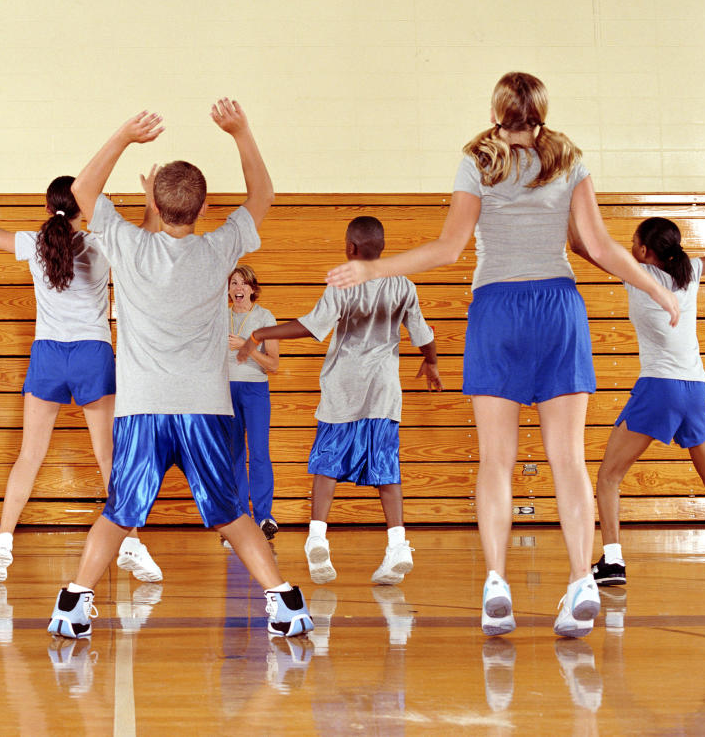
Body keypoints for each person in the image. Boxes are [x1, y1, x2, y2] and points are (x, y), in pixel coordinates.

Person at [326, 72, 678, 639]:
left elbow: (448, 249)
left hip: (497, 309)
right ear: (542, 109)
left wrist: (372, 267)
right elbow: (601, 246)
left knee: (496, 460)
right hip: (558, 307)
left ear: (496, 110)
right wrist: (659, 289)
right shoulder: (569, 159)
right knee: (568, 459)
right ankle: (581, 580)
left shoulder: (478, 159)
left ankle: (495, 582)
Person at [46, 100, 311, 641]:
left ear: (155, 203)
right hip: (204, 409)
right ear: (205, 205)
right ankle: (285, 604)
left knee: (119, 513)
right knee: (233, 514)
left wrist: (123, 134)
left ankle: (73, 606)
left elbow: (83, 194)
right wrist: (241, 130)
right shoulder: (221, 247)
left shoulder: (128, 243)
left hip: (143, 409)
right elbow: (263, 195)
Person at [0, 171, 161, 585]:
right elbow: (146, 232)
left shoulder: (34, 245)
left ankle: (1, 545)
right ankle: (132, 545)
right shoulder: (100, 242)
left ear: (47, 206)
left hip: (49, 354)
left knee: (29, 456)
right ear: (85, 207)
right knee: (109, 458)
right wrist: (149, 198)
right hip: (92, 353)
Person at [239, 216, 441, 585]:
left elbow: (312, 326)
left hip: (343, 389)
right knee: (386, 469)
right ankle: (397, 545)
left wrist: (260, 331)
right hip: (383, 392)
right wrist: (431, 362)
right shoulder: (404, 286)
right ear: (382, 247)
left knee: (327, 465)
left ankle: (317, 538)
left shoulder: (343, 282)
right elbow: (423, 334)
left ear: (350, 248)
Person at [577, 217, 705, 587]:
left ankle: (612, 562)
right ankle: (610, 562)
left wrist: (564, 212)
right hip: (696, 388)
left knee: (609, 476)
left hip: (660, 387)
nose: (629, 247)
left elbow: (582, 247)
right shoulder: (689, 269)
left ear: (643, 251)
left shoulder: (638, 274)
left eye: (633, 242)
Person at [226, 264, 280, 538]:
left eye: (244, 283)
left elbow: (273, 364)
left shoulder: (265, 317)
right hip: (225, 391)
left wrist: (246, 346)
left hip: (255, 389)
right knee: (234, 455)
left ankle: (264, 516)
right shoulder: (219, 317)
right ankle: (239, 517)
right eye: (234, 283)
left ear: (252, 289)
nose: (238, 288)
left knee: (259, 453)